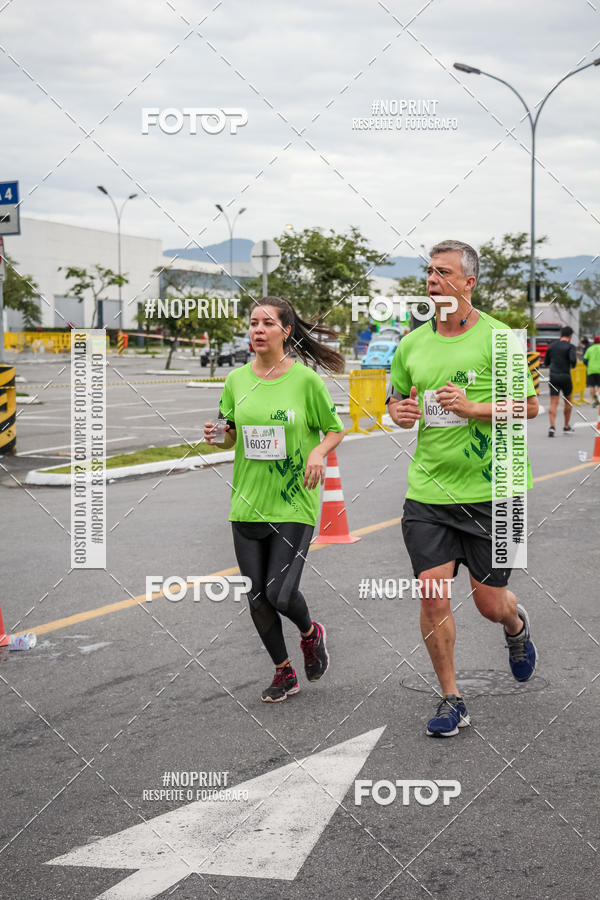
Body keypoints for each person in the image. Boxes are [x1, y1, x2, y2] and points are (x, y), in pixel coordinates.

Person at [387, 239, 539, 738]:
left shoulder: (500, 339)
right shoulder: (412, 343)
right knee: (433, 597)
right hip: (429, 494)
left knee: (489, 604)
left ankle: (516, 628)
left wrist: (473, 408)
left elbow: (530, 408)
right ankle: (452, 697)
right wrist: (399, 413)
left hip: (498, 493)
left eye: (444, 272)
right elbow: (397, 401)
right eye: (429, 271)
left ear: (468, 283)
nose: (432, 280)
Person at [204, 297, 345, 703]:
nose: (258, 330)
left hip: (293, 501)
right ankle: (284, 672)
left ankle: (310, 633)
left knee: (280, 593)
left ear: (285, 331)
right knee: (256, 598)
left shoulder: (305, 382)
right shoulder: (236, 381)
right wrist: (218, 435)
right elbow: (229, 432)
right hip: (247, 502)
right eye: (252, 323)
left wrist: (318, 452)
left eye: (267, 323)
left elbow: (334, 429)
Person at [543, 326, 577, 436]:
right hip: (565, 376)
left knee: (554, 401)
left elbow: (546, 362)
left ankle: (552, 427)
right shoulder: (570, 346)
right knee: (568, 400)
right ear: (570, 336)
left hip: (553, 376)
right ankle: (566, 426)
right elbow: (573, 361)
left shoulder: (552, 346)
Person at [583, 336, 600, 407]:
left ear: (593, 341)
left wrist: (589, 365)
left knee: (592, 385)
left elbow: (584, 360)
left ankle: (593, 401)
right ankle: (597, 394)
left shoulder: (589, 349)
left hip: (591, 370)